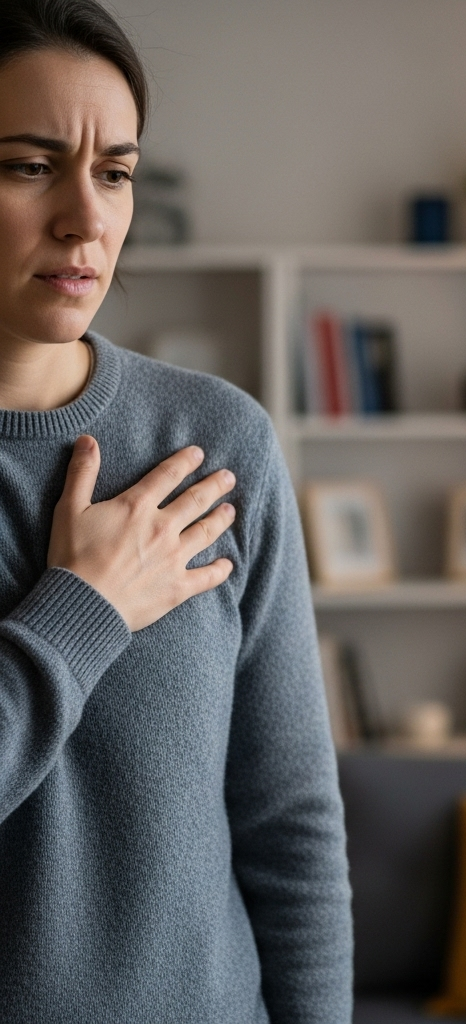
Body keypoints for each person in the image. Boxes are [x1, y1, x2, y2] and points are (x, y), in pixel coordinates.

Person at [0, 1, 352, 1021]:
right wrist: (83, 605)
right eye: (27, 165)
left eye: (114, 170)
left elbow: (289, 816)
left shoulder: (216, 442)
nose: (86, 217)